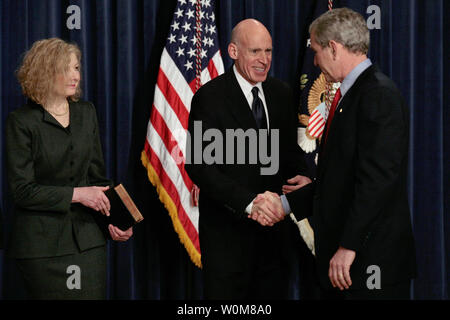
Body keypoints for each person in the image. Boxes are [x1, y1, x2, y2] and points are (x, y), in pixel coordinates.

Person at [256, 8, 417, 300]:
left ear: (333, 47)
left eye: (316, 51)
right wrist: (285, 203)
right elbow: (345, 178)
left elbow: (376, 183)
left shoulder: (377, 95)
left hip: (368, 265)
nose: (314, 61)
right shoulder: (352, 95)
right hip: (348, 266)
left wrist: (348, 246)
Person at [185, 19, 311, 300]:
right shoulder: (210, 97)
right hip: (228, 238)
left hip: (274, 237)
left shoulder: (281, 93)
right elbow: (200, 166)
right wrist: (251, 203)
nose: (264, 60)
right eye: (255, 51)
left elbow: (289, 155)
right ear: (233, 51)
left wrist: (304, 178)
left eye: (268, 51)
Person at [5, 38, 133, 299]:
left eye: (76, 68)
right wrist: (78, 194)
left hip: (88, 243)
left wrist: (116, 220)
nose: (75, 76)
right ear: (45, 72)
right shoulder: (21, 122)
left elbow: (97, 178)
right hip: (41, 248)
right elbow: (22, 191)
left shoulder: (87, 113)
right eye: (66, 69)